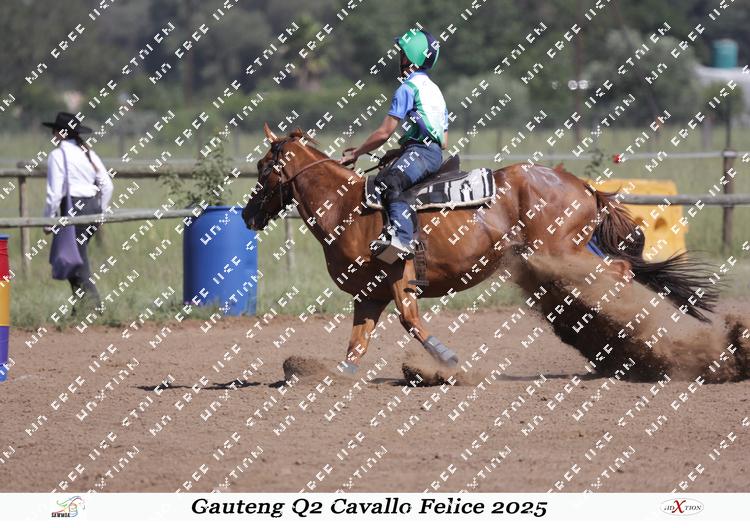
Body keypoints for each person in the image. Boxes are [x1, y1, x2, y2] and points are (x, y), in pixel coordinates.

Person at [339, 28, 448, 262]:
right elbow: (444, 140)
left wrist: (356, 153)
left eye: (403, 54)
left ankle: (402, 239)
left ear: (412, 57)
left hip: (422, 154)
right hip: (432, 153)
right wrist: (402, 151)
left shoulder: (407, 89)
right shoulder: (435, 90)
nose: (400, 58)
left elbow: (384, 132)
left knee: (389, 181)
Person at [42, 112, 113, 311]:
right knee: (73, 259)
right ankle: (81, 309)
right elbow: (107, 185)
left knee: (75, 261)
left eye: (55, 130)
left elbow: (54, 193)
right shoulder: (88, 153)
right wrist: (100, 212)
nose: (53, 133)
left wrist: (48, 221)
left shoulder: (57, 155)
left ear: (60, 133)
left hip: (73, 209)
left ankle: (94, 307)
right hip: (91, 207)